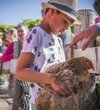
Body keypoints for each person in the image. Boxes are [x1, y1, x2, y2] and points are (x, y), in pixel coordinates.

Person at [15, 0, 79, 109]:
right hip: (42, 103)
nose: (67, 28)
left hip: (58, 102)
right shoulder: (36, 33)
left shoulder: (58, 40)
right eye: (65, 21)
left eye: (70, 25)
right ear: (52, 11)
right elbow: (20, 72)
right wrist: (51, 80)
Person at [12, 24, 29, 110]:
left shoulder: (31, 43)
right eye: (18, 31)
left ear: (27, 32)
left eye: (22, 31)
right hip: (20, 79)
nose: (19, 33)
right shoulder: (17, 44)